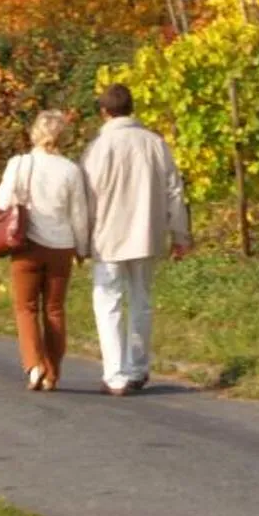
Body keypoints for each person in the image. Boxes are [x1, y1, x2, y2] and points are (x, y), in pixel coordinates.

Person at [79, 82, 190, 397]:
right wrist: (180, 234)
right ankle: (137, 368)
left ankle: (114, 374)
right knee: (141, 301)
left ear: (104, 112)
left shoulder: (98, 148)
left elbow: (86, 198)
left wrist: (80, 240)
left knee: (108, 303)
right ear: (132, 108)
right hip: (146, 232)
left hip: (107, 235)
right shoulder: (155, 143)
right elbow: (174, 191)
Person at [0, 109, 95, 391]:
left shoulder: (20, 163)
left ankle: (34, 365)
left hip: (27, 246)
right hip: (61, 247)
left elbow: (2, 200)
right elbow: (79, 215)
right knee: (55, 309)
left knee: (25, 308)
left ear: (35, 133)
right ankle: (52, 372)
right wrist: (82, 249)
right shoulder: (71, 170)